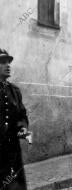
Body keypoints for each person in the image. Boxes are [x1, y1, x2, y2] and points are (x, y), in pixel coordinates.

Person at [0, 49, 29, 190]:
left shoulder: (15, 91)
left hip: (13, 151)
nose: (8, 65)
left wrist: (23, 127)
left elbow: (22, 114)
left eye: (8, 62)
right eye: (2, 62)